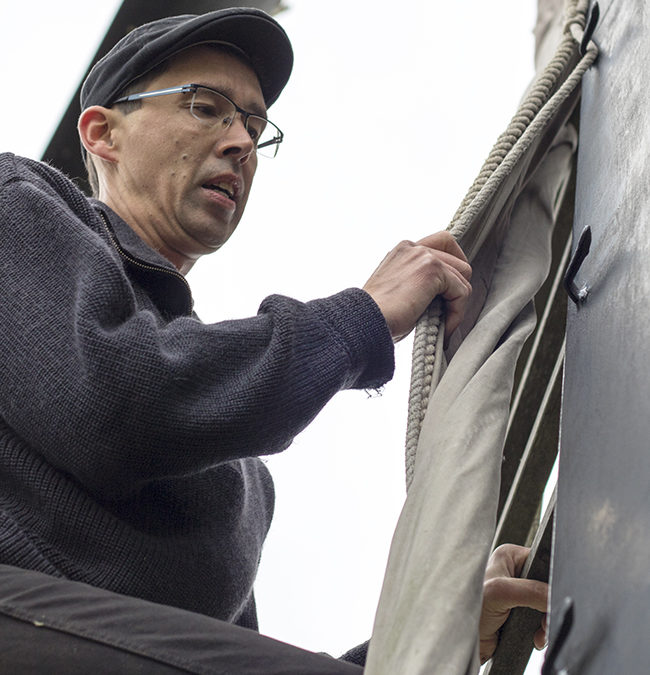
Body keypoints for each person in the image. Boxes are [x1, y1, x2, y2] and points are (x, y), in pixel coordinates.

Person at [0, 7, 547, 673]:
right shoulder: (16, 206)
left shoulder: (236, 473)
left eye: (254, 126)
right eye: (206, 108)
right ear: (102, 133)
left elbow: (233, 655)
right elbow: (116, 403)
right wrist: (359, 319)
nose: (240, 142)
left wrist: (446, 627)